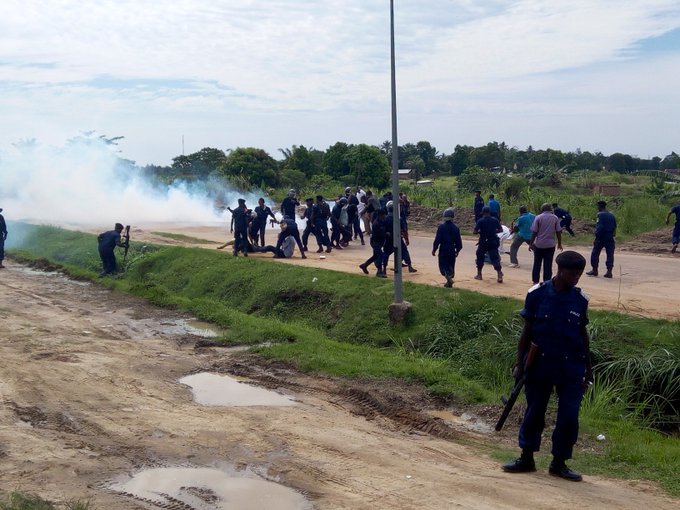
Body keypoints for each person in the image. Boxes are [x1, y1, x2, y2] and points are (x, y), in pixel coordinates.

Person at [502, 250, 592, 482]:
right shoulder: (537, 294)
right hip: (540, 364)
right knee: (535, 413)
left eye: (580, 273)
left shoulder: (580, 300)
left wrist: (588, 370)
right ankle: (526, 457)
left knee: (569, 417)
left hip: (571, 367)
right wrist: (519, 364)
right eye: (573, 273)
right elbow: (526, 332)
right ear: (560, 271)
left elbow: (583, 335)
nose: (577, 278)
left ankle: (559, 463)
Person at [529, 203, 563, 284]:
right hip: (550, 245)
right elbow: (558, 231)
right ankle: (547, 282)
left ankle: (535, 281)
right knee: (548, 264)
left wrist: (531, 243)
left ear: (542, 209)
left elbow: (534, 232)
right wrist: (559, 243)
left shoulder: (538, 217)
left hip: (539, 245)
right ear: (550, 209)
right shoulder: (555, 218)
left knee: (537, 263)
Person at [432, 207, 463, 288]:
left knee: (443, 265)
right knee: (451, 264)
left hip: (443, 248)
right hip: (452, 248)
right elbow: (459, 241)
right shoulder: (456, 228)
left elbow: (437, 240)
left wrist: (434, 249)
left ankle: (448, 278)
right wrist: (457, 250)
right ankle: (449, 279)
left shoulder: (441, 227)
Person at [586, 200, 617, 278]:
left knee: (595, 253)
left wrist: (597, 237)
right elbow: (614, 226)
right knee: (610, 254)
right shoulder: (611, 215)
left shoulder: (600, 215)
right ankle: (609, 271)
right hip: (610, 236)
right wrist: (613, 235)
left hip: (601, 237)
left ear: (599, 206)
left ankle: (594, 270)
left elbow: (599, 227)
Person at [474, 206, 503, 283]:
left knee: (480, 256)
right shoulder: (495, 220)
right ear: (489, 212)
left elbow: (475, 231)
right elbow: (500, 229)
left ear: (483, 213)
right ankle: (499, 274)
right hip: (493, 241)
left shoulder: (480, 221)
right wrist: (493, 232)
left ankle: (479, 275)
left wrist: (480, 232)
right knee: (494, 258)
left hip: (483, 241)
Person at [359, 208, 388, 277]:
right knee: (380, 255)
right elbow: (380, 233)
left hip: (378, 242)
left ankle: (364, 265)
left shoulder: (381, 221)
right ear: (381, 215)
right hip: (375, 242)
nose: (385, 216)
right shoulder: (377, 223)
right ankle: (379, 271)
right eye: (384, 215)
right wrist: (386, 234)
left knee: (375, 256)